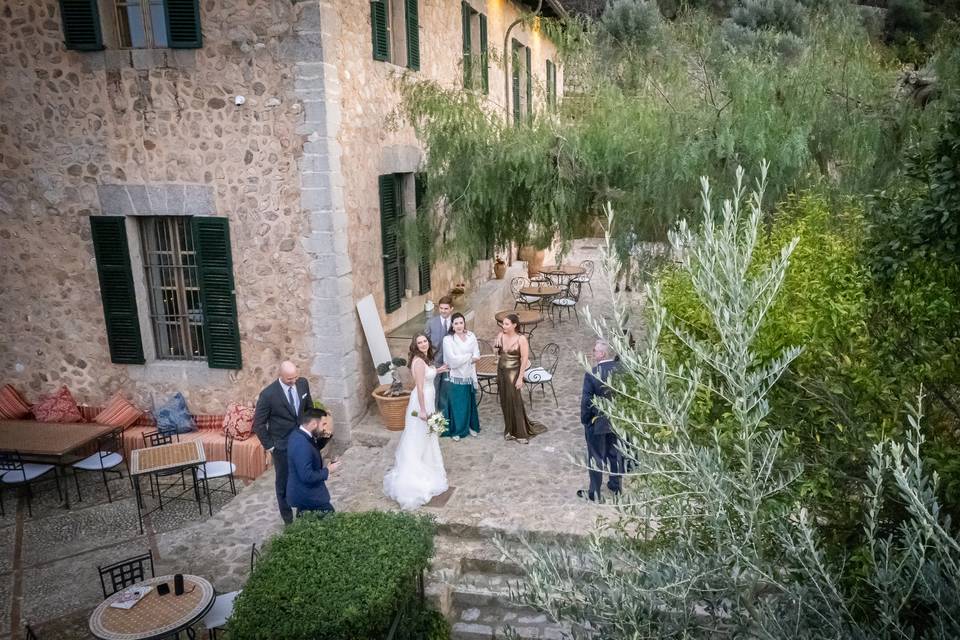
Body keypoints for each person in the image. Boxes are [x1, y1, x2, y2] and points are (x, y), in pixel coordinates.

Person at [383, 333, 450, 509]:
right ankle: (413, 475)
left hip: (428, 398)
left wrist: (440, 369)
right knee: (418, 437)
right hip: (422, 401)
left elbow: (429, 375)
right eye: (419, 342)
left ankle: (428, 464)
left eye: (425, 341)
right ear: (415, 345)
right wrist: (422, 410)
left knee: (427, 436)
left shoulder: (425, 359)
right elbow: (419, 387)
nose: (423, 344)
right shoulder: (418, 362)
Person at [253, 360, 313, 524]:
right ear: (280, 376)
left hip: (301, 443)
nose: (293, 381)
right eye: (289, 379)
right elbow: (258, 424)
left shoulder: (302, 384)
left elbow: (309, 409)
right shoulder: (268, 395)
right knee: (284, 484)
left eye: (295, 377)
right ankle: (288, 520)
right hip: (282, 446)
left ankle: (302, 513)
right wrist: (271, 446)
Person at [579, 339, 623, 502]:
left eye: (595, 350)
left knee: (596, 456)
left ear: (602, 353)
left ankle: (595, 492)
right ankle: (615, 485)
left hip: (598, 422)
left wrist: (585, 420)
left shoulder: (592, 373)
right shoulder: (622, 369)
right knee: (615, 453)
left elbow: (587, 401)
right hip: (618, 420)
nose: (592, 352)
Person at [494, 314, 547, 444]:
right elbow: (497, 353)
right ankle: (509, 431)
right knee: (505, 401)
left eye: (506, 324)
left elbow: (524, 359)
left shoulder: (521, 339)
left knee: (515, 401)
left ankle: (521, 433)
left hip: (514, 373)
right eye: (503, 324)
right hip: (501, 372)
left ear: (514, 325)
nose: (504, 326)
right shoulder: (500, 335)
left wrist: (520, 378)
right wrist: (495, 347)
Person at [287, 406, 340, 516]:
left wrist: (327, 435)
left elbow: (313, 447)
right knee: (330, 517)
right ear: (313, 424)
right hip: (308, 496)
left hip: (303, 495)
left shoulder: (299, 433)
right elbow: (307, 476)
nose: (325, 427)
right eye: (323, 424)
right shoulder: (301, 445)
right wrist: (328, 470)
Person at [442, 312, 481, 440]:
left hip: (469, 375)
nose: (459, 325)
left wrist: (465, 358)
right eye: (456, 323)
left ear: (464, 323)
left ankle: (471, 426)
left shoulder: (471, 336)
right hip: (455, 377)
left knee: (469, 403)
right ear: (452, 325)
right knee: (457, 404)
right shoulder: (448, 339)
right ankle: (457, 431)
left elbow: (477, 355)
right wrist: (468, 357)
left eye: (461, 322)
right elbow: (451, 361)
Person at [425, 296, 454, 413]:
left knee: (449, 390)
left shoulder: (456, 322)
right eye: (441, 308)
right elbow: (425, 342)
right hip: (435, 362)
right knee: (434, 390)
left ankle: (447, 416)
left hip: (451, 364)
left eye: (446, 308)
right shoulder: (431, 322)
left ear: (451, 308)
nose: (443, 311)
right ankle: (434, 416)